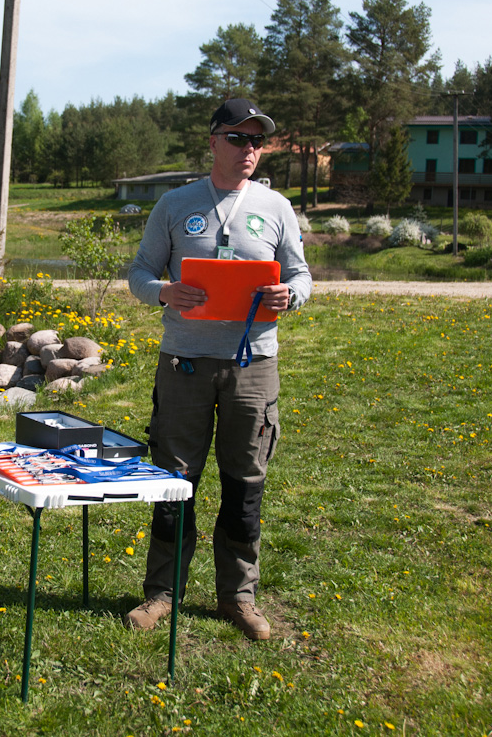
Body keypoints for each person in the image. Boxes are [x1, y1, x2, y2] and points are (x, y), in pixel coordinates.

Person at [124, 98, 311, 640]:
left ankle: (239, 597)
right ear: (213, 142)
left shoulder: (276, 206)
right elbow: (139, 272)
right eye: (238, 137)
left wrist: (289, 296)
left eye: (257, 140)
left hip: (253, 365)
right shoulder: (176, 203)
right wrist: (164, 291)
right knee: (173, 480)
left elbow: (302, 275)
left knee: (245, 481)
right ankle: (161, 594)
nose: (249, 148)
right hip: (183, 364)